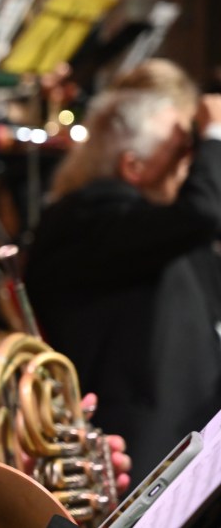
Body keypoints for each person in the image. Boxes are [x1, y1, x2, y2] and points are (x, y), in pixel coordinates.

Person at [24, 59, 221, 485]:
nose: (193, 164)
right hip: (141, 463)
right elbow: (203, 211)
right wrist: (214, 135)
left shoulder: (154, 228)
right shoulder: (88, 217)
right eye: (184, 149)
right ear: (133, 166)